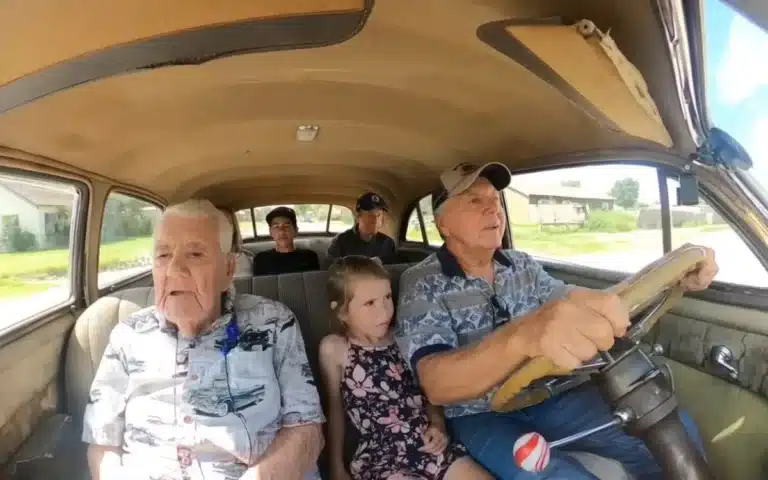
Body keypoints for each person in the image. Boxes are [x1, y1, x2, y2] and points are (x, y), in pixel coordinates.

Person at [395, 162, 718, 480]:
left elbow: (591, 301)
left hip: (553, 394)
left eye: (495, 201)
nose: (493, 210)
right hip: (482, 415)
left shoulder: (520, 265)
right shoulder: (423, 282)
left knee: (671, 435)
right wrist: (522, 335)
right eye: (475, 201)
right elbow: (436, 385)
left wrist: (672, 271)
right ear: (444, 224)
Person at [83, 199, 325, 480]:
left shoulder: (273, 322)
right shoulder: (127, 335)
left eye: (195, 254)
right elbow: (102, 443)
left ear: (228, 269)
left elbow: (307, 429)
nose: (173, 270)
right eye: (163, 256)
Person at [318, 256, 492, 480]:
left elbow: (429, 387)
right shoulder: (335, 349)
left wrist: (438, 424)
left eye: (387, 297)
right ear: (342, 311)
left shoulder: (403, 335)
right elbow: (335, 411)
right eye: (369, 303)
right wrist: (336, 467)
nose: (384, 311)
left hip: (429, 444)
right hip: (382, 455)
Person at [327, 193, 397, 264]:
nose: (375, 220)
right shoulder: (340, 241)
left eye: (378, 215)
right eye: (370, 215)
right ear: (358, 217)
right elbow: (331, 270)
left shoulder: (388, 243)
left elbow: (391, 271)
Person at [253, 206, 320, 275]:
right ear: (270, 232)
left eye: (286, 226)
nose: (282, 231)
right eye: (276, 227)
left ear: (296, 230)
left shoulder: (310, 256)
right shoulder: (261, 259)